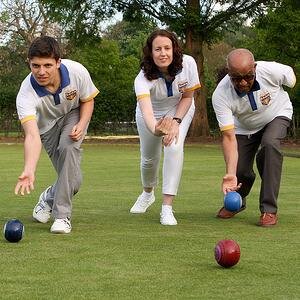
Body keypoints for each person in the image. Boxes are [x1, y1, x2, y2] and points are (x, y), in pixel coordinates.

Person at [14, 36, 99, 234]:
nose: (41, 72)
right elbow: (32, 135)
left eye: (47, 65)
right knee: (73, 181)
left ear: (58, 62)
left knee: (68, 147)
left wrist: (82, 122)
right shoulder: (25, 94)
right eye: (35, 66)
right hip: (46, 129)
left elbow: (88, 99)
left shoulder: (77, 71)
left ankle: (62, 217)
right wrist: (29, 169)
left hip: (73, 115)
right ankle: (49, 197)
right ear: (29, 63)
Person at [212, 48, 296, 226]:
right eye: (236, 78)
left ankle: (268, 210)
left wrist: (291, 81)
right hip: (244, 128)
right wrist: (229, 174)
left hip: (276, 115)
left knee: (270, 145)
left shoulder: (269, 71)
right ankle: (238, 201)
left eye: (248, 77)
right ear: (229, 74)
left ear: (255, 68)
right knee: (240, 170)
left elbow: (289, 75)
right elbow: (228, 137)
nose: (243, 82)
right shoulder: (221, 95)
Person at [129, 29, 201, 225]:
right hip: (151, 115)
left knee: (174, 147)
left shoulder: (189, 64)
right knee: (148, 159)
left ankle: (167, 207)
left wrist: (176, 122)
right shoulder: (142, 78)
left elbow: (187, 97)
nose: (163, 53)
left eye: (167, 48)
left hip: (179, 109)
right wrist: (157, 129)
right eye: (157, 49)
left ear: (174, 49)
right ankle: (147, 193)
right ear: (150, 53)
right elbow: (147, 113)